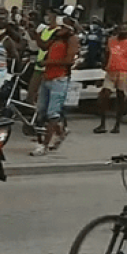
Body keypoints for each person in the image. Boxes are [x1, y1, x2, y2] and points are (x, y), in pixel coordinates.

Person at [31, 9, 80, 156]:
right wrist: (36, 34)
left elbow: (68, 60)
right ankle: (60, 132)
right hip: (48, 77)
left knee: (52, 113)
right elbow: (44, 46)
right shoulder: (57, 36)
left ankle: (44, 145)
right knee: (41, 111)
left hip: (59, 78)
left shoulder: (72, 38)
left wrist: (47, 62)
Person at [94, 23, 127, 134]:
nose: (122, 31)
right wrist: (104, 65)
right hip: (111, 71)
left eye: (124, 29)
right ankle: (102, 124)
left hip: (124, 72)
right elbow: (107, 53)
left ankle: (117, 125)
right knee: (104, 95)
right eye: (120, 29)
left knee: (121, 97)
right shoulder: (111, 40)